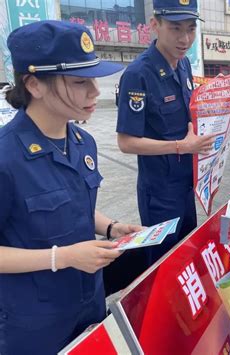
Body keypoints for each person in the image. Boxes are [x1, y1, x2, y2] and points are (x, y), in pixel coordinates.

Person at [0, 20, 142, 354]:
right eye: (80, 82)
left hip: (88, 302)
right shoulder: (6, 158)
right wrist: (62, 257)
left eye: (92, 79)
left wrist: (111, 227)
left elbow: (71, 203)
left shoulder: (82, 142)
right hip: (34, 323)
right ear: (34, 84)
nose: (94, 92)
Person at [115, 0, 215, 291]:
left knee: (185, 254)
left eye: (190, 29)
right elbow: (125, 142)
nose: (185, 39)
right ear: (154, 25)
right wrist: (181, 147)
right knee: (161, 265)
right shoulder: (138, 74)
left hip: (185, 186)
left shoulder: (183, 65)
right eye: (175, 29)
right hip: (159, 192)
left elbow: (187, 120)